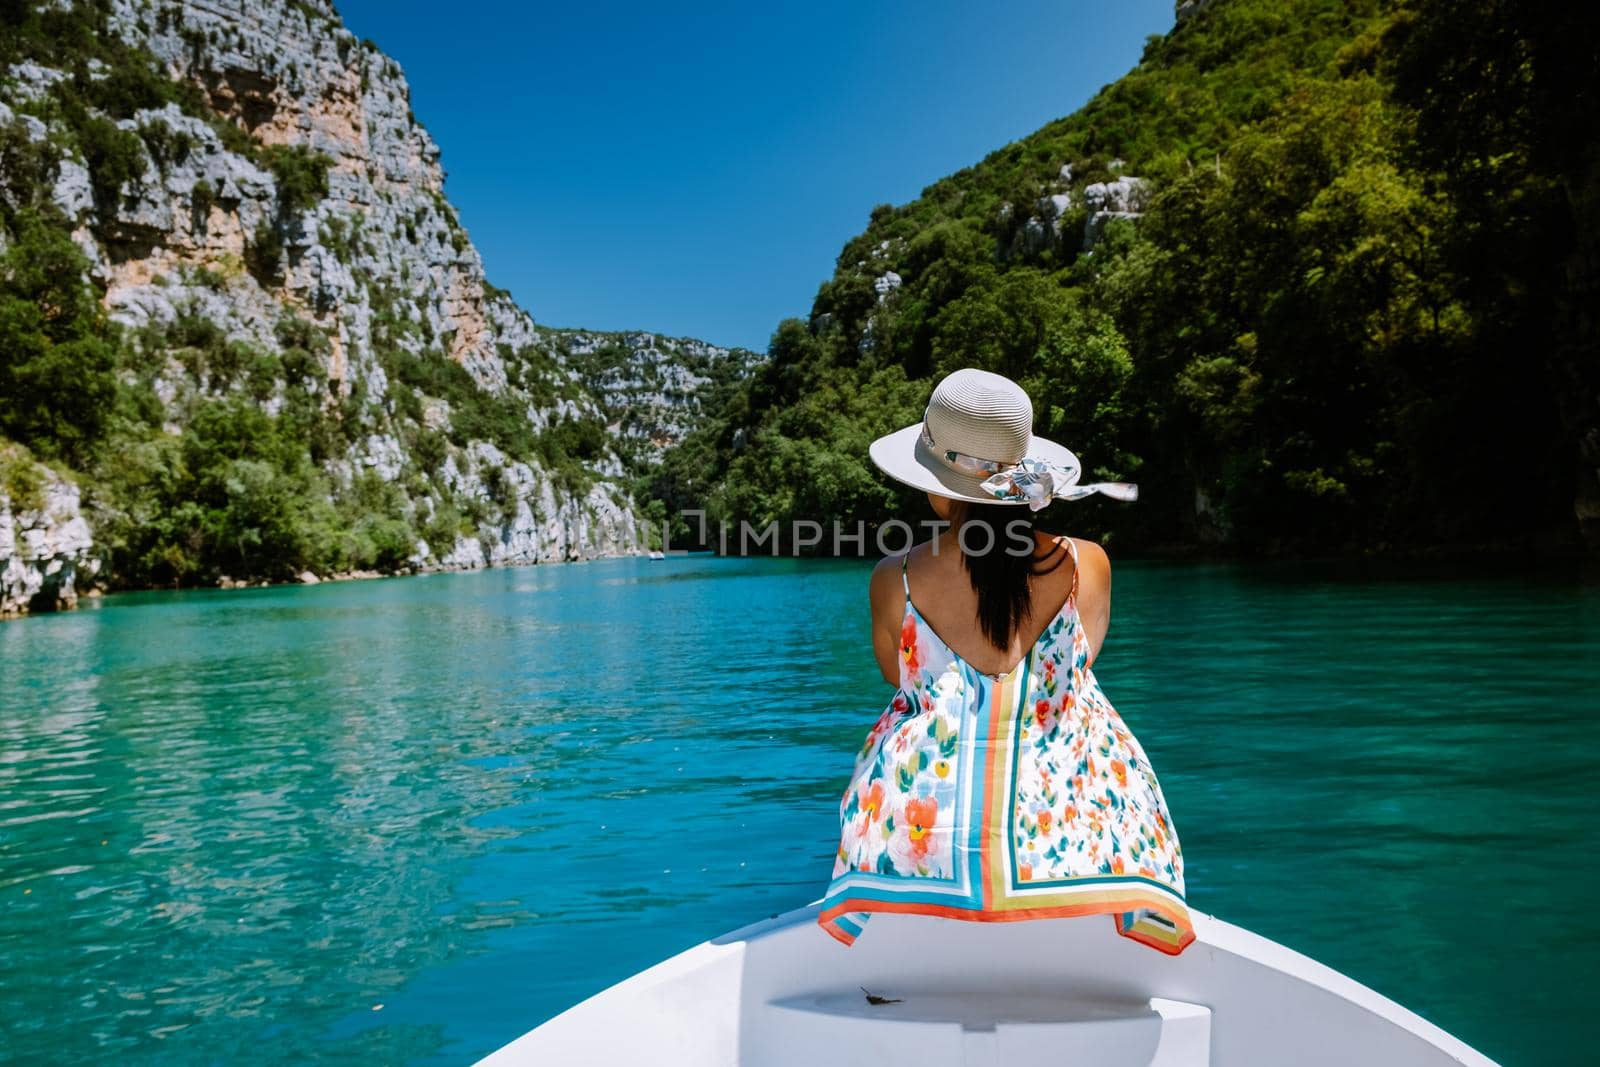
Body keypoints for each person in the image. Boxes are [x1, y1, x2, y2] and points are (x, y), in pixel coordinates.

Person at [817, 368, 1194, 955]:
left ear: (935, 485)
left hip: (928, 837)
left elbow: (898, 676)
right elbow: (1082, 660)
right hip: (1078, 833)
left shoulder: (896, 577)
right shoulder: (1086, 563)